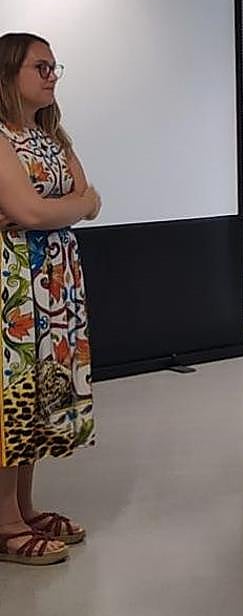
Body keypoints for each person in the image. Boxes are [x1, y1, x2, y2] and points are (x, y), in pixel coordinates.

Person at [0, 33, 100, 565]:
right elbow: (41, 214)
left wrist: (52, 207)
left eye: (54, 66)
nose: (51, 74)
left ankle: (23, 507)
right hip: (12, 289)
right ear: (8, 72)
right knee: (10, 398)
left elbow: (93, 200)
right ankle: (4, 524)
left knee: (40, 393)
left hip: (54, 285)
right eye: (40, 66)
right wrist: (61, 206)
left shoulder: (49, 133)